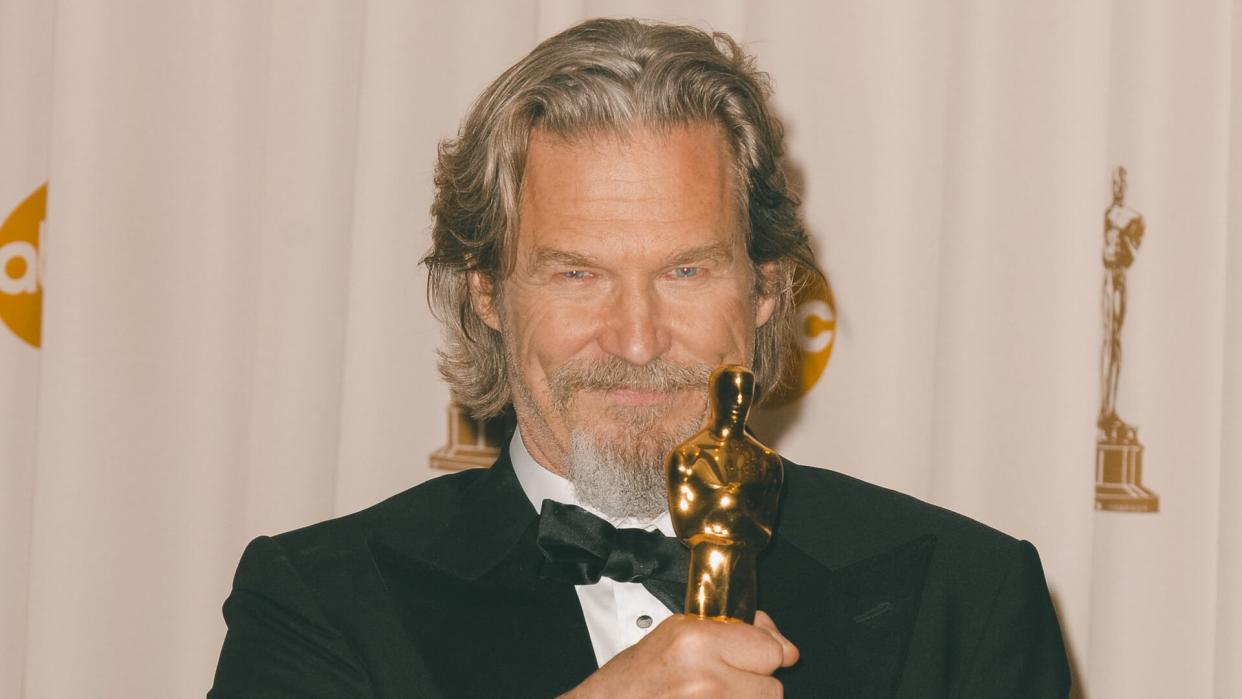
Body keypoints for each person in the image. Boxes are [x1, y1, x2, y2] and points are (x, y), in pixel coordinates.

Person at [210, 18, 1070, 698]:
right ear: (486, 293)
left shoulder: (961, 598)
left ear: (766, 289)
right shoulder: (322, 603)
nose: (634, 339)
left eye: (686, 270)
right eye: (578, 273)